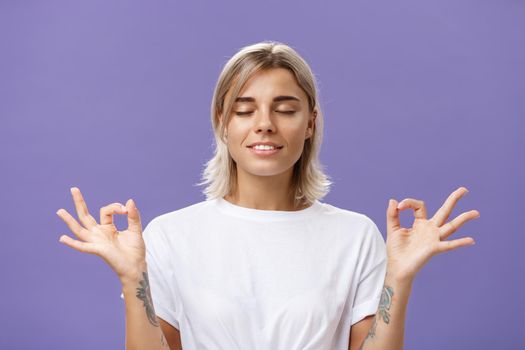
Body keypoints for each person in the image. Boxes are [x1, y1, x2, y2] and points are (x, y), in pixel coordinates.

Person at [56, 41, 480, 350]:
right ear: (223, 122)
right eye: (244, 110)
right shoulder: (171, 235)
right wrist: (134, 280)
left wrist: (398, 279)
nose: (264, 124)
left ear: (310, 122)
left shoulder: (355, 234)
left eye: (285, 108)